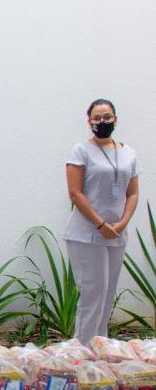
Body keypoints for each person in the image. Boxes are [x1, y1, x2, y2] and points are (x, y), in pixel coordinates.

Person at [65, 99, 140, 345]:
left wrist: (122, 224)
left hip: (117, 234)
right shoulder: (81, 151)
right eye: (97, 118)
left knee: (107, 295)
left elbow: (132, 193)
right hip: (86, 235)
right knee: (92, 294)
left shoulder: (128, 153)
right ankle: (83, 352)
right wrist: (100, 225)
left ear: (115, 119)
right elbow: (75, 193)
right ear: (89, 122)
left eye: (107, 117)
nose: (102, 122)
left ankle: (101, 349)